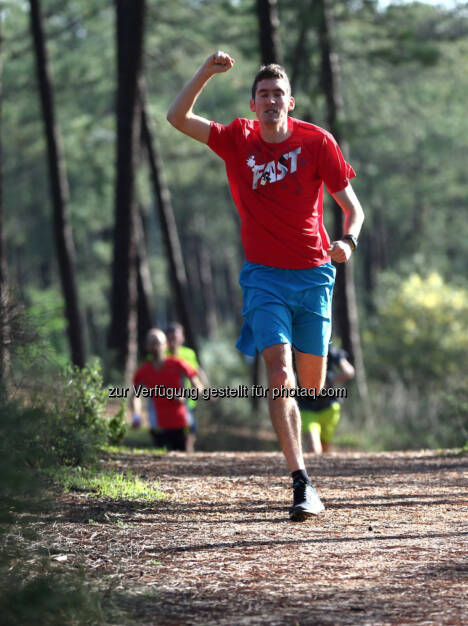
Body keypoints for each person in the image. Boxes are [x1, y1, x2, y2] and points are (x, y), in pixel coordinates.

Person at [167, 51, 364, 520]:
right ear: (253, 105)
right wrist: (205, 72)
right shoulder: (238, 139)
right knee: (279, 374)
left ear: (290, 102)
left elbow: (353, 208)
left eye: (279, 94)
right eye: (263, 95)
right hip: (263, 277)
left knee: (312, 385)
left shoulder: (318, 143)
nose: (272, 101)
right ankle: (302, 482)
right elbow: (177, 117)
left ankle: (305, 396)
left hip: (315, 274)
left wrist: (349, 242)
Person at [130, 328, 203, 451]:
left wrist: (185, 395)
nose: (155, 346)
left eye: (157, 342)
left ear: (165, 345)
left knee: (185, 461)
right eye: (151, 343)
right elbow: (135, 395)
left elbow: (199, 387)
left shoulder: (178, 364)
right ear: (147, 347)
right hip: (157, 425)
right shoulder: (143, 371)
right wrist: (137, 415)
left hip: (181, 422)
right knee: (164, 463)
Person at [299, 345, 355, 455]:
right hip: (306, 407)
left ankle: (320, 471)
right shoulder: (296, 349)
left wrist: (328, 383)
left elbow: (349, 371)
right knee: (314, 448)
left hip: (329, 407)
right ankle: (311, 470)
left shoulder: (331, 350)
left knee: (324, 449)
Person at [166, 321, 208, 453]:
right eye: (171, 337)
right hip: (167, 401)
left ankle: (189, 455)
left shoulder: (189, 354)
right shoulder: (162, 354)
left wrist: (206, 389)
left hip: (188, 400)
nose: (173, 340)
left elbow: (197, 371)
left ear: (182, 338)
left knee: (191, 429)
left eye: (176, 337)